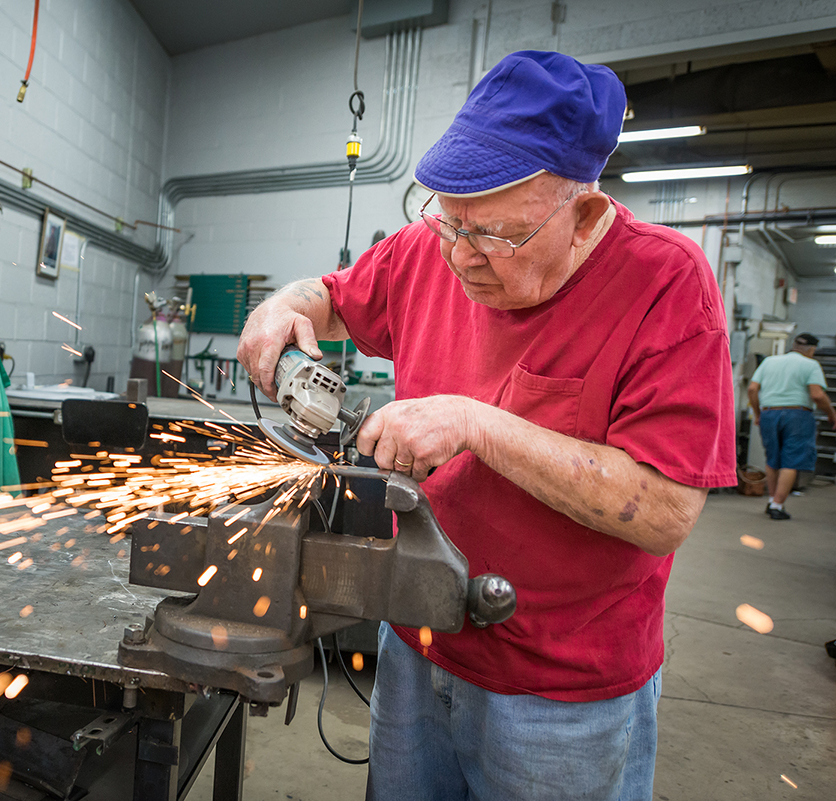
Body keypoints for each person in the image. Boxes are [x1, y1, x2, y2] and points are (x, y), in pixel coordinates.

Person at [237, 50, 736, 800]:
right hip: (415, 644)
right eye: (448, 221)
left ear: (585, 216)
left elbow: (665, 509)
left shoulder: (666, 283)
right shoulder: (436, 246)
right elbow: (332, 297)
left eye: (496, 236)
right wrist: (281, 307)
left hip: (560, 693)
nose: (462, 256)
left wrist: (478, 425)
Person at [747, 332, 835, 519]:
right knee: (791, 460)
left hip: (769, 413)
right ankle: (778, 506)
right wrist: (831, 414)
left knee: (772, 460)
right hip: (798, 415)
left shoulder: (770, 361)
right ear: (811, 349)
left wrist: (757, 413)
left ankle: (772, 500)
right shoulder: (811, 365)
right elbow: (817, 395)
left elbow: (752, 388)